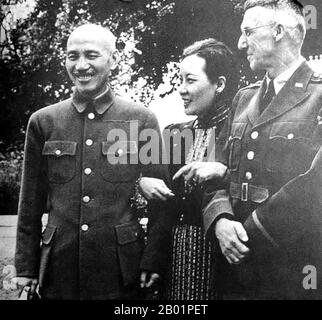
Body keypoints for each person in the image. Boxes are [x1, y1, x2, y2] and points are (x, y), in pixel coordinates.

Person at [13, 23, 169, 300]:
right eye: (72, 56)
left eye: (91, 55)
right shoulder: (43, 121)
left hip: (121, 272)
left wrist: (153, 259)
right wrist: (26, 267)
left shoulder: (142, 120)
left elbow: (161, 200)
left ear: (113, 59)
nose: (80, 65)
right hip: (58, 270)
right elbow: (30, 204)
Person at [203, 0, 322, 299]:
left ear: (279, 31)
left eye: (248, 32)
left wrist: (249, 232)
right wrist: (220, 220)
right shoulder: (243, 99)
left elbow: (315, 183)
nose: (241, 43)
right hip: (232, 269)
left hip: (291, 268)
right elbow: (215, 170)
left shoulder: (319, 96)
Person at [139, 38, 238, 299]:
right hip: (174, 260)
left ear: (220, 84)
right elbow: (160, 208)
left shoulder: (241, 135)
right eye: (179, 80)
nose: (181, 89)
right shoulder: (173, 134)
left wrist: (223, 172)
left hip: (222, 262)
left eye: (190, 80)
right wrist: (153, 260)